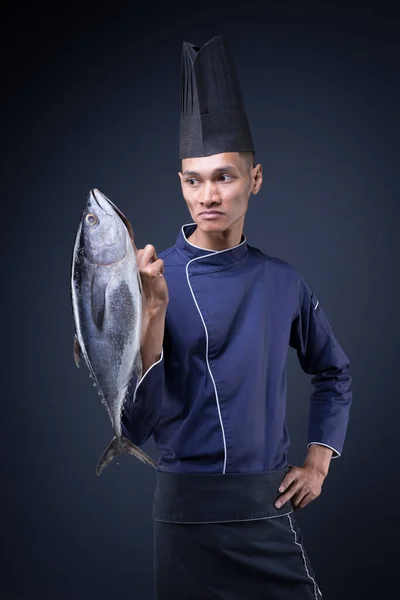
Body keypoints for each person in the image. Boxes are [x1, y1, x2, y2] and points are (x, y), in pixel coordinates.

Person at [122, 34, 352, 600]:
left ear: (255, 179)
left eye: (224, 176)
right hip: (183, 516)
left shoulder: (283, 281)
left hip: (262, 510)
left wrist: (318, 464)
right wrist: (151, 313)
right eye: (194, 179)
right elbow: (134, 429)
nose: (209, 195)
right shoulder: (149, 279)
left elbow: (334, 373)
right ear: (180, 183)